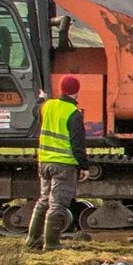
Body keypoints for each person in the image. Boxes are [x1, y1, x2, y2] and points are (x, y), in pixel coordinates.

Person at [29, 73, 86, 249]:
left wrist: (41, 98)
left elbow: (35, 109)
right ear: (76, 92)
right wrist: (84, 166)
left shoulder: (47, 106)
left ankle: (32, 240)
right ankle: (52, 243)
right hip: (63, 164)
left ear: (61, 90)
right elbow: (78, 144)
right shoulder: (73, 114)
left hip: (44, 162)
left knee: (44, 200)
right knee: (58, 203)